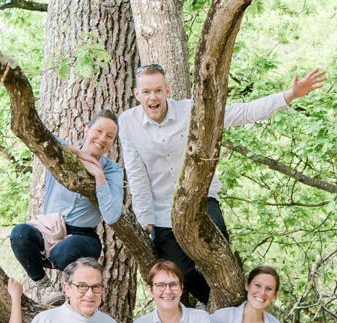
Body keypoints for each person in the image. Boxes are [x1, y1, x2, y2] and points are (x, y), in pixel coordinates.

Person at [117, 64, 326, 305]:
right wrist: (145, 219)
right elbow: (136, 172)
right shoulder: (128, 122)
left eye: (158, 90)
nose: (152, 97)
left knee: (217, 255)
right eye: (146, 92)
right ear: (136, 94)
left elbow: (241, 113)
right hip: (163, 213)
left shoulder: (190, 111)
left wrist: (288, 95)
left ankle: (240, 306)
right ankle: (222, 308)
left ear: (168, 90)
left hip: (201, 201)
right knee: (180, 273)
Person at [9, 111, 123, 306]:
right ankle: (44, 285)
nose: (102, 138)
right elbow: (40, 134)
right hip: (49, 230)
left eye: (109, 136)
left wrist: (98, 175)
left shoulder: (112, 170)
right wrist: (79, 154)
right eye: (98, 130)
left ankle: (62, 274)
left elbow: (112, 215)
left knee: (66, 250)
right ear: (86, 130)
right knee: (20, 233)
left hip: (83, 238)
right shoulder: (62, 152)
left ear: (112, 142)